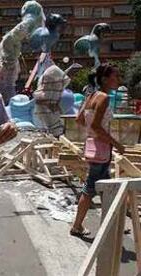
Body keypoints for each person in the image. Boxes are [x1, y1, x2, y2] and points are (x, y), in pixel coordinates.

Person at [70, 64, 125, 237]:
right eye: (115, 76)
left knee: (105, 187)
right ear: (104, 79)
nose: (118, 79)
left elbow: (79, 120)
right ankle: (77, 226)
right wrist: (116, 144)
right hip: (101, 149)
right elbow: (96, 125)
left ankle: (112, 222)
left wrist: (92, 132)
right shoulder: (103, 98)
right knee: (89, 190)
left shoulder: (91, 96)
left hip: (93, 146)